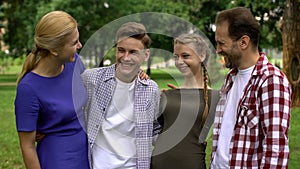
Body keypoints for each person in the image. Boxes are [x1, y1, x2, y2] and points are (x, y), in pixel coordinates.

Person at [210, 7, 292, 168]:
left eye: (221, 43)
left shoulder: (271, 80)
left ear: (243, 42)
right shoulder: (231, 77)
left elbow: (276, 148)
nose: (218, 50)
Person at [14, 11, 90, 169]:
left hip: (87, 155)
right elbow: (27, 147)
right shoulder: (28, 89)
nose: (80, 45)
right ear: (55, 50)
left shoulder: (75, 63)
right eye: (74, 42)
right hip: (59, 160)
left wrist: (137, 76)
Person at [81, 22, 161, 169]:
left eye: (133, 52)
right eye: (121, 50)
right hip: (98, 165)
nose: (125, 57)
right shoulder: (91, 79)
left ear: (146, 55)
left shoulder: (151, 89)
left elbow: (154, 128)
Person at [151, 33, 220, 169]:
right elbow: (153, 130)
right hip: (158, 164)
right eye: (176, 57)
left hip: (192, 164)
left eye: (185, 56)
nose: (179, 61)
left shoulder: (217, 98)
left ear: (202, 55)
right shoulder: (168, 95)